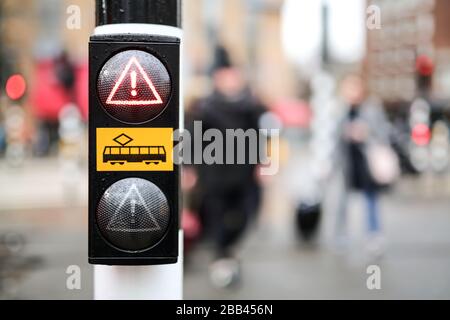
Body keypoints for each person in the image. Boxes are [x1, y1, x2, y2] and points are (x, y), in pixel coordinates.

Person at [192, 46, 265, 288]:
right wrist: (189, 168)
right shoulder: (205, 109)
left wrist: (261, 164)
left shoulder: (250, 107)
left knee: (246, 215)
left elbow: (258, 136)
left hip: (243, 174)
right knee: (216, 218)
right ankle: (222, 257)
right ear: (217, 79)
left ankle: (228, 251)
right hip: (214, 174)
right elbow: (192, 138)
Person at [335, 74, 390, 257]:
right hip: (347, 163)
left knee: (371, 199)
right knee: (342, 201)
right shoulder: (340, 110)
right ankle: (341, 234)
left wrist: (365, 133)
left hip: (367, 163)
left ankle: (373, 234)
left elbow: (383, 133)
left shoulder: (371, 108)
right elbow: (333, 138)